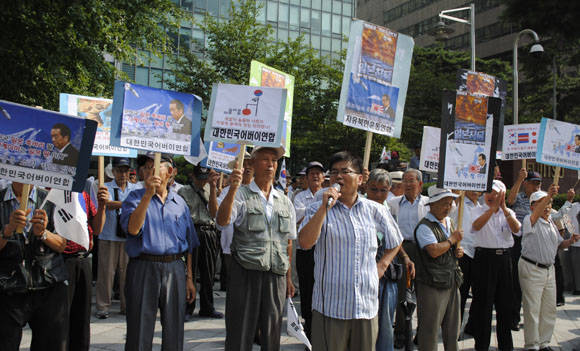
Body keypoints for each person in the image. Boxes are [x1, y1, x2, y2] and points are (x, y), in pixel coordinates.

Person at [299, 151, 403, 351]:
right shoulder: (316, 209)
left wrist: (382, 265)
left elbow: (395, 240)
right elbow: (304, 243)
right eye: (334, 172)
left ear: (360, 179)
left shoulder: (375, 210)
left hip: (365, 306)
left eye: (345, 171)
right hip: (330, 307)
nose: (338, 177)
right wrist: (323, 208)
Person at [216, 145, 295, 351]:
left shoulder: (285, 201)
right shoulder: (240, 194)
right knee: (239, 333)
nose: (270, 165)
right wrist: (232, 188)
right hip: (245, 273)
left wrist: (287, 278)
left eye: (274, 160)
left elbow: (288, 242)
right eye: (264, 159)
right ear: (251, 163)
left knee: (272, 334)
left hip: (275, 276)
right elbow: (222, 222)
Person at [121, 153, 199, 351]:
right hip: (143, 267)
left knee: (174, 328)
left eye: (155, 166)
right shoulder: (134, 198)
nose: (149, 171)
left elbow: (189, 243)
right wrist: (148, 194)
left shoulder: (179, 203)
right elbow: (132, 229)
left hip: (175, 268)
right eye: (146, 167)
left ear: (170, 172)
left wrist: (189, 277)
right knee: (139, 328)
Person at [0, 183, 68, 351]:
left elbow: (62, 245)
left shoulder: (50, 200)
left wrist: (43, 233)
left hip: (47, 283)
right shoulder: (1, 200)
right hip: (9, 286)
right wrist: (7, 231)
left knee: (49, 343)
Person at [519, 187, 580, 351]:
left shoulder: (551, 222)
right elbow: (535, 215)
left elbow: (560, 244)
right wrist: (549, 196)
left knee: (549, 308)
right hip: (532, 267)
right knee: (532, 309)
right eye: (542, 203)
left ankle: (544, 342)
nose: (547, 207)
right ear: (532, 206)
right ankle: (532, 345)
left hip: (549, 270)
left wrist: (571, 241)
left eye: (549, 203)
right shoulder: (529, 219)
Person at [366, 168, 415, 351]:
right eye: (374, 189)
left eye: (383, 190)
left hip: (387, 277)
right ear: (366, 187)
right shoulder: (359, 208)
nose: (378, 195)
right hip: (364, 276)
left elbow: (395, 239)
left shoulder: (387, 209)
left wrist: (405, 257)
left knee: (385, 324)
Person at [470, 180, 521, 351]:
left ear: (503, 195)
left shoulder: (508, 212)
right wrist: (491, 210)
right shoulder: (477, 210)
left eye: (495, 193)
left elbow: (516, 229)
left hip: (504, 259)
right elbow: (476, 226)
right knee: (483, 305)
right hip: (484, 259)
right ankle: (482, 345)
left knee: (505, 305)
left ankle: (506, 345)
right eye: (488, 192)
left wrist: (504, 210)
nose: (491, 196)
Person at [414, 186, 463, 351]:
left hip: (451, 281)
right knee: (430, 329)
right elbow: (433, 250)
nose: (448, 208)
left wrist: (457, 250)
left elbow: (449, 248)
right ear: (432, 205)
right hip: (432, 284)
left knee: (452, 329)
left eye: (450, 203)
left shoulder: (449, 222)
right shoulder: (424, 226)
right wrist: (451, 240)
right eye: (444, 203)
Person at [61, 184, 109, 351]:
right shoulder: (50, 192)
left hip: (82, 260)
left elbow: (97, 229)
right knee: (60, 319)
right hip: (60, 261)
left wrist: (102, 206)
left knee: (82, 317)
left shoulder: (84, 195)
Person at [388, 168, 429, 348]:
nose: (407, 184)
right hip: (402, 250)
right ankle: (401, 334)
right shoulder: (394, 203)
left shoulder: (428, 203)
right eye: (405, 181)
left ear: (420, 184)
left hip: (424, 250)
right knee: (403, 294)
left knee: (423, 294)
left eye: (411, 180)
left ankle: (422, 333)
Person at [95, 158, 139, 319]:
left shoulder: (135, 188)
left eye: (126, 171)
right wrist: (122, 204)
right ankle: (103, 306)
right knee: (106, 273)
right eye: (119, 170)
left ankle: (126, 305)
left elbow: (136, 205)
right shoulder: (104, 187)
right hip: (108, 236)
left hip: (128, 237)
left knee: (127, 274)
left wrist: (113, 203)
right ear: (112, 172)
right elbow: (102, 205)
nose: (123, 174)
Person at [178, 165, 224, 319]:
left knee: (208, 272)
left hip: (208, 231)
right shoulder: (183, 191)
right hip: (191, 230)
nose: (202, 182)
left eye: (205, 178)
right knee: (189, 270)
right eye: (199, 178)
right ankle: (187, 307)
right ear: (192, 176)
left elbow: (214, 213)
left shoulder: (211, 189)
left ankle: (207, 306)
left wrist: (212, 187)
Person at [210, 151, 254, 293]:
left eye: (250, 163)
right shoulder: (227, 191)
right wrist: (212, 189)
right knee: (235, 291)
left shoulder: (262, 191)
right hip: (231, 249)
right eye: (243, 163)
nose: (246, 167)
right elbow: (215, 214)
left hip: (254, 250)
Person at [293, 160, 325, 341]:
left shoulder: (329, 194)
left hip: (323, 250)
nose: (315, 176)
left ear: (323, 177)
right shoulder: (299, 197)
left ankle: (320, 328)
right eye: (311, 173)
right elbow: (298, 218)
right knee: (306, 290)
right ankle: (308, 328)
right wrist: (318, 209)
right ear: (306, 177)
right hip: (305, 250)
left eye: (318, 173)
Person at [507, 169, 542, 331]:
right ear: (526, 184)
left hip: (535, 242)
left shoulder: (541, 200)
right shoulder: (519, 197)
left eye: (538, 184)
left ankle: (532, 319)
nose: (536, 187)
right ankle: (513, 317)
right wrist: (519, 179)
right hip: (518, 241)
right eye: (533, 183)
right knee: (516, 282)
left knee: (532, 283)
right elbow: (510, 199)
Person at [449, 191, 482, 332]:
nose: (476, 191)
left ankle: (472, 325)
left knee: (479, 294)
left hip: (479, 252)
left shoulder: (482, 207)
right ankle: (455, 328)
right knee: (460, 294)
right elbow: (449, 215)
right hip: (463, 252)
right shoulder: (458, 203)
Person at [557, 188, 580, 295]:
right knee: (576, 267)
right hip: (577, 242)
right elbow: (565, 218)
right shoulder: (575, 206)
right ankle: (576, 288)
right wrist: (572, 232)